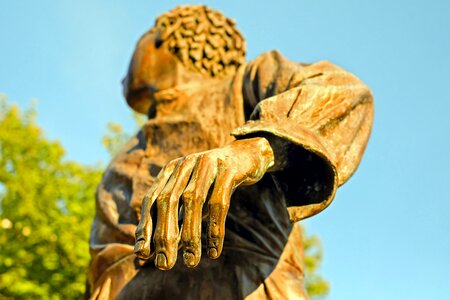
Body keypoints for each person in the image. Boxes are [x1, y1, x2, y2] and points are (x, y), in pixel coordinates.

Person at [86, 5, 373, 299]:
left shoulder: (243, 83)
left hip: (241, 287)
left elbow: (343, 91)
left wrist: (254, 150)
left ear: (163, 37)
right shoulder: (127, 151)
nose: (122, 78)